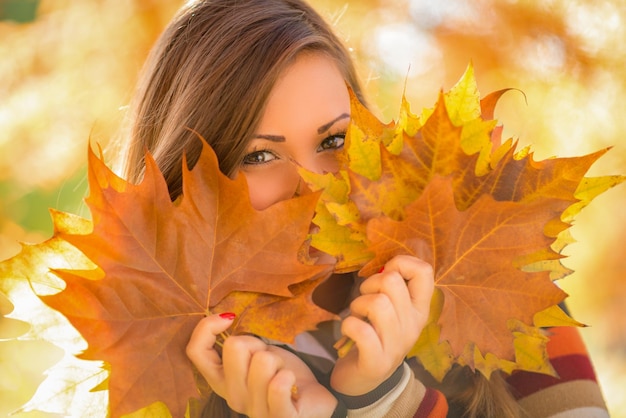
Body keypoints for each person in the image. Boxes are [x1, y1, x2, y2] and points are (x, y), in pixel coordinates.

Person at [118, 0, 609, 416]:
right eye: (260, 156)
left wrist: (383, 398)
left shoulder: (492, 272)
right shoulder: (159, 374)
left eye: (333, 139)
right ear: (185, 185)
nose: (314, 186)